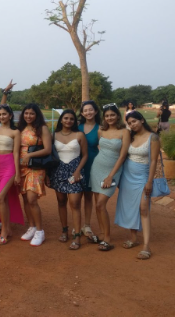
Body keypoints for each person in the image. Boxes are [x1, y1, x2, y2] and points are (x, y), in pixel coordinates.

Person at [115, 111, 160, 260]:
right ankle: (133, 238)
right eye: (129, 123)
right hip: (127, 176)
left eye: (134, 121)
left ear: (141, 119)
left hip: (142, 177)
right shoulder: (131, 136)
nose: (132, 125)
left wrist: (149, 181)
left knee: (143, 208)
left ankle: (146, 246)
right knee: (130, 207)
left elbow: (154, 161)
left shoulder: (153, 137)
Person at [89, 103, 130, 251]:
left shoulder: (124, 132)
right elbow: (101, 150)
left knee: (101, 204)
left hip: (113, 172)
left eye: (112, 115)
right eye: (107, 116)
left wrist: (110, 176)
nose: (110, 118)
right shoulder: (101, 131)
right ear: (104, 118)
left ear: (118, 116)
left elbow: (122, 156)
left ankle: (107, 238)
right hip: (97, 168)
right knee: (97, 205)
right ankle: (101, 234)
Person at [48, 110, 88, 250]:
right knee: (61, 202)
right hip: (58, 171)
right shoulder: (54, 135)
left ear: (75, 121)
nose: (68, 121)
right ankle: (64, 230)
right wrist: (48, 175)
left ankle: (77, 235)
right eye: (66, 118)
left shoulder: (79, 135)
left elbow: (85, 155)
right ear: (61, 120)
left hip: (74, 172)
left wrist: (77, 171)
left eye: (71, 119)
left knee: (75, 203)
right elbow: (50, 155)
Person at [0, 104, 23, 245]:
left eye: (4, 114)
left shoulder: (15, 132)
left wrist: (17, 173)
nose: (2, 116)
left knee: (0, 198)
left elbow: (16, 153)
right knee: (3, 199)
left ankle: (4, 232)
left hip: (9, 166)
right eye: (0, 114)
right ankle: (7, 228)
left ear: (10, 115)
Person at [18, 103, 52, 247]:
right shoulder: (20, 128)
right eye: (26, 113)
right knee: (25, 198)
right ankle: (31, 227)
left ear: (37, 114)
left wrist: (30, 155)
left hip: (36, 167)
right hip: (22, 167)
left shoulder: (42, 128)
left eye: (32, 113)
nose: (28, 116)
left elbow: (48, 149)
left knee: (32, 199)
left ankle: (40, 231)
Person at [78, 100, 101, 243]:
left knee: (88, 196)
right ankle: (76, 225)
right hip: (77, 164)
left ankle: (86, 225)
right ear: (82, 113)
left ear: (96, 111)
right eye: (85, 110)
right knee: (75, 196)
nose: (88, 112)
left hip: (93, 164)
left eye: (91, 110)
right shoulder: (77, 127)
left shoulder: (100, 128)